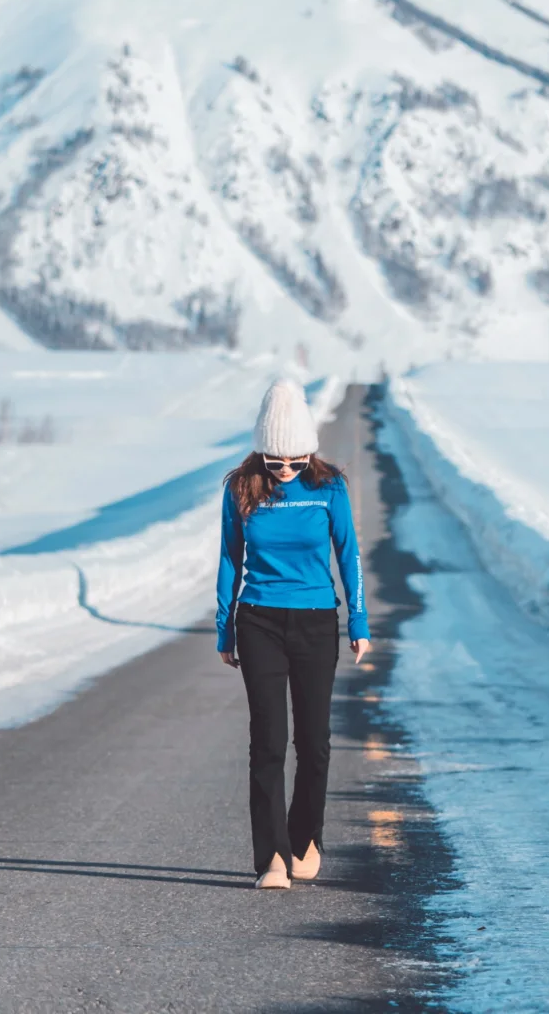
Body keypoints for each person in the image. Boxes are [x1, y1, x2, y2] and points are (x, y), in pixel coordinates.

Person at [217, 378, 371, 890]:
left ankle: (305, 839)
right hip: (258, 620)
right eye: (275, 461)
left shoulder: (329, 488)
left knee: (314, 741)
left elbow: (348, 555)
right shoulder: (242, 489)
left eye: (296, 461)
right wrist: (224, 629)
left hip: (316, 621)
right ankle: (272, 859)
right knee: (268, 742)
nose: (285, 470)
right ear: (261, 452)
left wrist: (359, 621)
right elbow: (229, 558)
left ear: (309, 452)